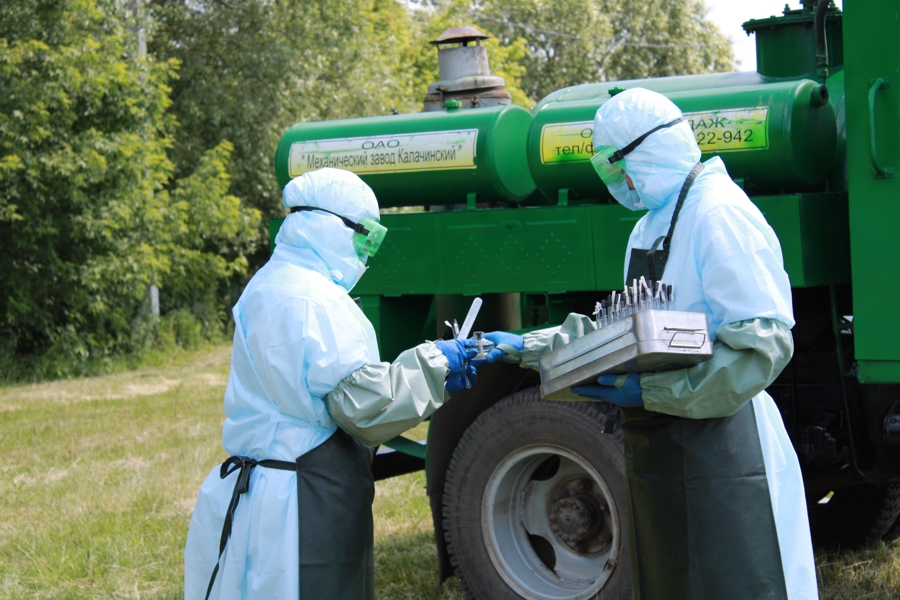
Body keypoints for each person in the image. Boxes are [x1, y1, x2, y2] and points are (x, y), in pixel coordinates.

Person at [484, 88, 818, 599]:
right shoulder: (649, 224)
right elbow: (626, 325)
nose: (620, 182)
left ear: (649, 151)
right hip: (659, 444)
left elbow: (761, 347)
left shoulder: (719, 214)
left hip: (725, 449)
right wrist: (526, 346)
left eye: (619, 167)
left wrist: (652, 393)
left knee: (737, 579)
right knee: (671, 578)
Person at [183, 167, 478, 600]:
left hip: (271, 484)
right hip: (305, 494)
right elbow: (361, 407)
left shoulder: (269, 282)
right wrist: (438, 364)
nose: (368, 252)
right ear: (329, 227)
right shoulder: (315, 299)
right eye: (366, 236)